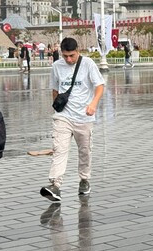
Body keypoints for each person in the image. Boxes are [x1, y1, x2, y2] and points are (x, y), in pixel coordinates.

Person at [40, 38, 105, 202]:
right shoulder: (56, 66)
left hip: (84, 116)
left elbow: (99, 86)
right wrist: (57, 108)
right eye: (65, 56)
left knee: (85, 151)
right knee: (59, 149)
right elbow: (55, 89)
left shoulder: (88, 64)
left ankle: (84, 180)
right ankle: (55, 185)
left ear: (78, 50)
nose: (68, 59)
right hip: (63, 117)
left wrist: (93, 104)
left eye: (71, 55)